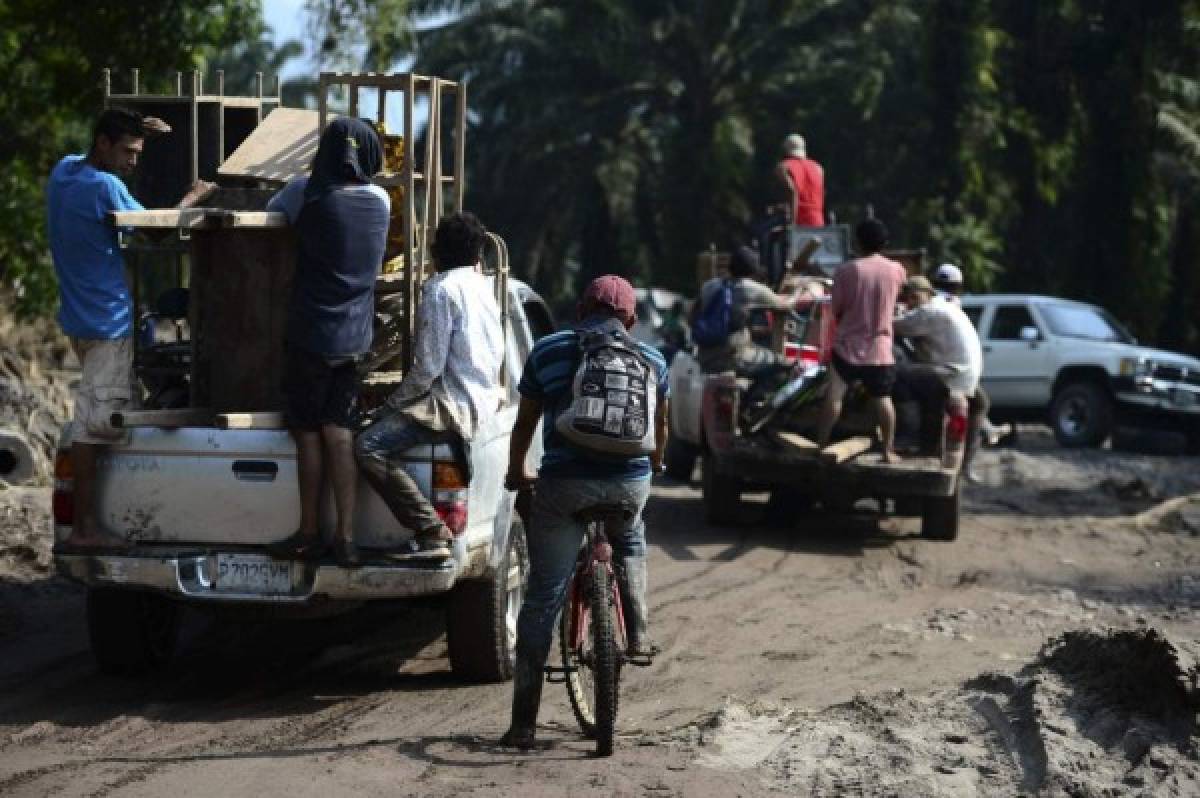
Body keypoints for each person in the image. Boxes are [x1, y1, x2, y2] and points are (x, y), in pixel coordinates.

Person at [500, 275, 669, 750]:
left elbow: (525, 423)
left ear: (580, 311)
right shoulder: (652, 359)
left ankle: (523, 725)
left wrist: (517, 474)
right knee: (630, 536)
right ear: (630, 319)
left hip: (564, 485)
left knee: (542, 597)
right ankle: (636, 634)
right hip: (628, 485)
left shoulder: (549, 351)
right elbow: (662, 428)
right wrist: (654, 465)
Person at [47, 108, 213, 549]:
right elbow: (154, 234)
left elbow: (98, 142)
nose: (133, 162)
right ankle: (86, 529)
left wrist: (139, 123)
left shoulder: (64, 172)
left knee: (115, 414)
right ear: (102, 144)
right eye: (127, 151)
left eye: (138, 152)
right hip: (107, 326)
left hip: (80, 322)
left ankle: (112, 515)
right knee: (92, 426)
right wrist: (194, 196)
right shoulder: (105, 187)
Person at [265, 117, 390, 566]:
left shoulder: (305, 193)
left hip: (310, 334)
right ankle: (349, 538)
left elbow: (271, 209)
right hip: (356, 337)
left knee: (308, 435)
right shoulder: (381, 199)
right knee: (340, 432)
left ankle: (309, 532)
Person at [355, 211, 505, 555]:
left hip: (451, 403)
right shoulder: (483, 287)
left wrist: (388, 406)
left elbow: (428, 369)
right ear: (476, 255)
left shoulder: (441, 290)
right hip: (480, 400)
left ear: (437, 253)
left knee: (367, 446)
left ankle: (430, 528)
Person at [815, 218, 907, 461]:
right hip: (880, 349)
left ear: (857, 242)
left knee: (835, 396)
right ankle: (888, 449)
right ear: (884, 242)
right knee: (883, 399)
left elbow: (836, 309)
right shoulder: (897, 270)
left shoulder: (847, 270)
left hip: (848, 347)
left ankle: (821, 444)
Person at [892, 276, 984, 456]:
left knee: (899, 376)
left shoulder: (929, 311)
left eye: (915, 297)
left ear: (928, 294)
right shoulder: (945, 306)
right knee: (923, 382)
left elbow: (894, 326)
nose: (911, 302)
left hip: (952, 372)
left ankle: (908, 435)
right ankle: (931, 446)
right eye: (908, 298)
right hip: (963, 372)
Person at [931, 263, 1009, 474]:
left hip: (945, 365)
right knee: (979, 403)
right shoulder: (950, 304)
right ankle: (967, 461)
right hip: (949, 370)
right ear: (958, 286)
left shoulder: (933, 302)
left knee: (976, 402)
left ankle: (985, 432)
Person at [693, 245, 801, 377]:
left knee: (757, 349)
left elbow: (694, 314)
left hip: (704, 356)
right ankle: (763, 396)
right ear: (753, 269)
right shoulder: (750, 289)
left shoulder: (710, 286)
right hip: (733, 357)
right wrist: (797, 289)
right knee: (783, 362)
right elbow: (786, 305)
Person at [777, 133, 825, 228]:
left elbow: (792, 190)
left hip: (799, 222)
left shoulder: (783, 167)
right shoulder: (818, 168)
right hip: (817, 221)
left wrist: (792, 223)